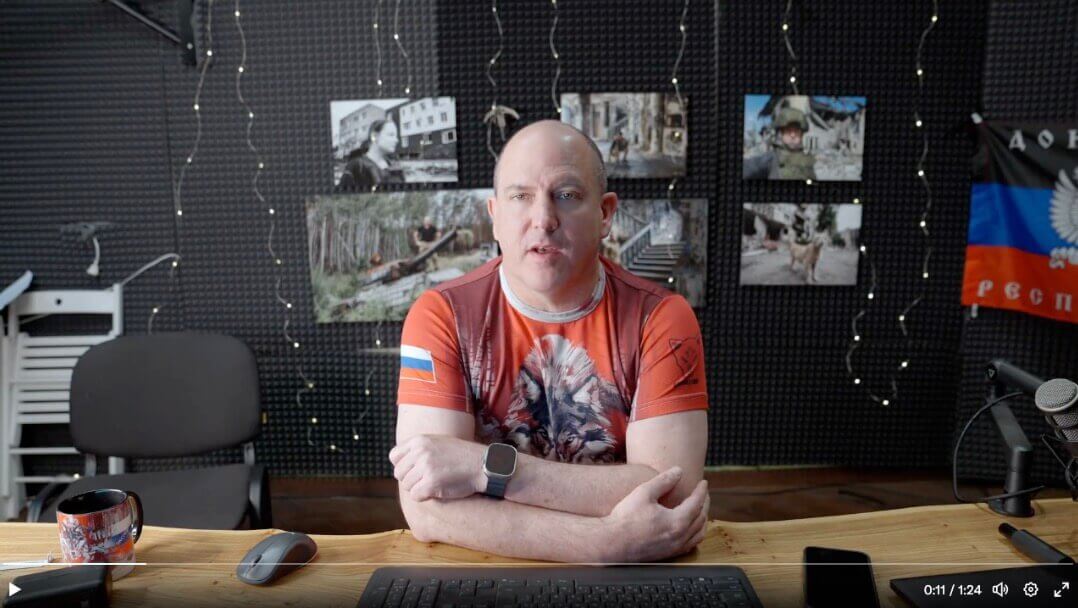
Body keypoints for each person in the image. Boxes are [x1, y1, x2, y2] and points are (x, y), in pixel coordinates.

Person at [389, 120, 709, 563]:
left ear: (606, 214)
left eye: (567, 195)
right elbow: (426, 510)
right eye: (521, 196)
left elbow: (673, 494)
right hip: (489, 568)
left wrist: (482, 469)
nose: (543, 219)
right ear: (494, 215)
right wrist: (604, 542)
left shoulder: (662, 318)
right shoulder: (440, 315)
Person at [743, 99, 817, 181]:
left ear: (801, 135)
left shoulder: (806, 160)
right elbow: (749, 167)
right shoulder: (771, 158)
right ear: (781, 134)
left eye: (796, 131)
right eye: (788, 131)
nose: (793, 135)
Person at [337, 119, 404, 190]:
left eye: (396, 136)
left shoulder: (394, 164)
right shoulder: (356, 166)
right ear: (374, 136)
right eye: (391, 135)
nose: (397, 140)